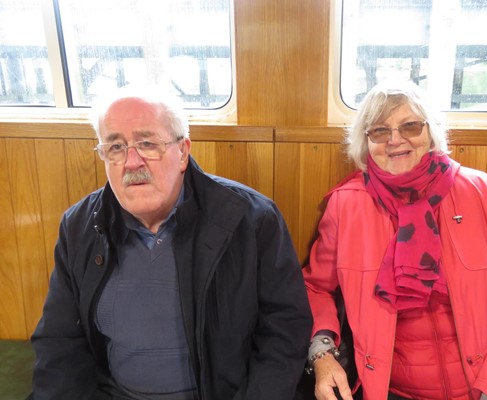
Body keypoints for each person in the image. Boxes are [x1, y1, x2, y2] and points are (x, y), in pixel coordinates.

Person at [30, 86, 313, 400]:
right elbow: (58, 341)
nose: (131, 162)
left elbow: (285, 331)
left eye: (147, 143)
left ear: (183, 151)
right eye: (115, 147)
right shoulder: (79, 225)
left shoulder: (252, 219)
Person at [302, 81, 487, 400]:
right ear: (366, 142)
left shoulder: (486, 194)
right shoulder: (345, 205)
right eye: (379, 130)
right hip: (391, 390)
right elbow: (315, 288)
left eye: (410, 126)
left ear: (430, 132)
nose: (395, 140)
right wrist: (322, 355)